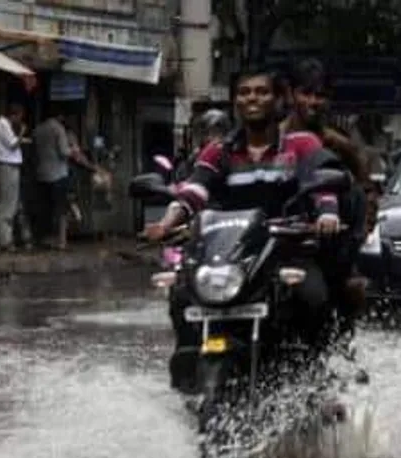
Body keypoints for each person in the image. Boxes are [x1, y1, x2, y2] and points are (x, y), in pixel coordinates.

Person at [143, 65, 345, 393]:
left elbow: (321, 185)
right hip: (230, 256)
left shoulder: (300, 146)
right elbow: (194, 192)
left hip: (285, 252)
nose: (253, 99)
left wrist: (327, 214)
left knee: (313, 296)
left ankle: (314, 378)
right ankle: (189, 364)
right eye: (245, 92)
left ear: (279, 100)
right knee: (181, 293)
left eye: (262, 92)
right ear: (235, 101)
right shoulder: (219, 151)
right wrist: (166, 223)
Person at [281, 58, 370, 329]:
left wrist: (356, 234)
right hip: (279, 239)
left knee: (349, 290)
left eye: (320, 95)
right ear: (291, 94)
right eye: (306, 93)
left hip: (329, 241)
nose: (312, 102)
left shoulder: (340, 144)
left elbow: (364, 191)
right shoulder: (275, 139)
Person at [32, 109, 101, 250]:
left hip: (41, 174)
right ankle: (61, 241)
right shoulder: (59, 129)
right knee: (61, 208)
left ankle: (44, 238)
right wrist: (74, 152)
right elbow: (64, 152)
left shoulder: (37, 129)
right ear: (60, 115)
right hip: (58, 174)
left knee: (46, 208)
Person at [0, 102, 26, 253]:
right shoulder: (3, 124)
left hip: (7, 165)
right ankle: (4, 241)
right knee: (8, 204)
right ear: (15, 115)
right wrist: (22, 133)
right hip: (7, 165)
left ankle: (4, 238)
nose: (20, 120)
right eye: (20, 117)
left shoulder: (2, 124)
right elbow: (13, 144)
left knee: (9, 203)